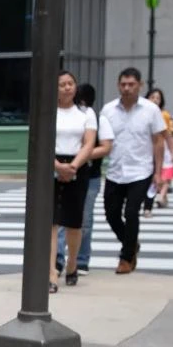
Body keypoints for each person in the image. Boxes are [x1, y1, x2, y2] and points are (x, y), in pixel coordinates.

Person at [99, 68, 166, 273]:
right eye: (123, 84)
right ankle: (131, 243)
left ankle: (126, 258)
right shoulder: (108, 110)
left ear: (140, 85)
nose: (127, 88)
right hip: (115, 169)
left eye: (131, 84)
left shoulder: (151, 110)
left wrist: (158, 172)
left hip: (141, 169)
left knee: (131, 212)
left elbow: (158, 141)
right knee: (111, 214)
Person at [56, 82, 111, 276]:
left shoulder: (93, 117)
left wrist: (79, 158)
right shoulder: (62, 117)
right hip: (65, 169)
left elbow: (105, 146)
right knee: (59, 220)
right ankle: (58, 260)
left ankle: (80, 260)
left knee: (82, 219)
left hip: (88, 173)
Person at [51, 72, 98, 290]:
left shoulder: (86, 113)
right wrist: (57, 165)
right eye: (62, 85)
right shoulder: (49, 112)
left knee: (74, 222)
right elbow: (42, 141)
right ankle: (51, 270)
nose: (67, 88)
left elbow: (89, 143)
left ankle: (72, 263)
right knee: (51, 223)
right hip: (52, 164)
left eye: (70, 84)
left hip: (77, 164)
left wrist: (73, 166)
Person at [144, 88, 173, 210]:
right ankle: (160, 196)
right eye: (152, 97)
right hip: (146, 147)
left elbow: (167, 133)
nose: (155, 100)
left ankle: (159, 197)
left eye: (158, 98)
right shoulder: (142, 113)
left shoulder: (164, 115)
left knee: (164, 173)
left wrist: (172, 150)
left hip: (162, 148)